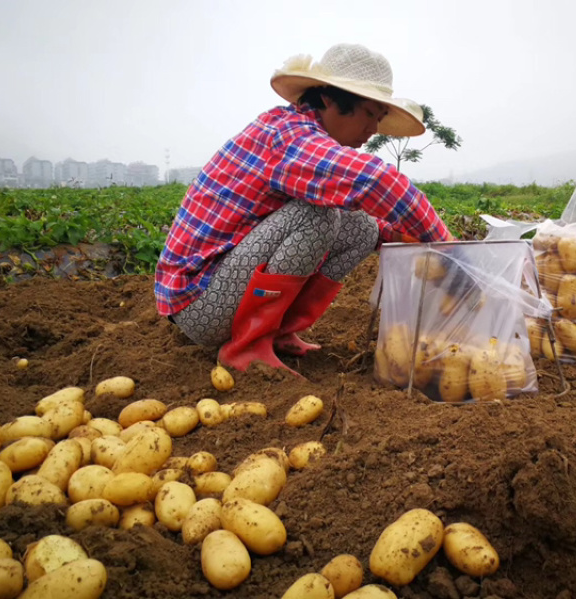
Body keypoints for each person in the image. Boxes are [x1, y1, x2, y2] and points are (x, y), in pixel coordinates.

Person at [154, 43, 454, 375]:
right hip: (199, 304)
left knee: (363, 228)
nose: (373, 131)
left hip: (224, 289)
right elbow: (377, 182)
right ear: (329, 98)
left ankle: (278, 333)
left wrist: (395, 235)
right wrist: (452, 250)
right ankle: (248, 346)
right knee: (315, 216)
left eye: (379, 119)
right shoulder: (288, 135)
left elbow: (366, 202)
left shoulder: (302, 140)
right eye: (369, 114)